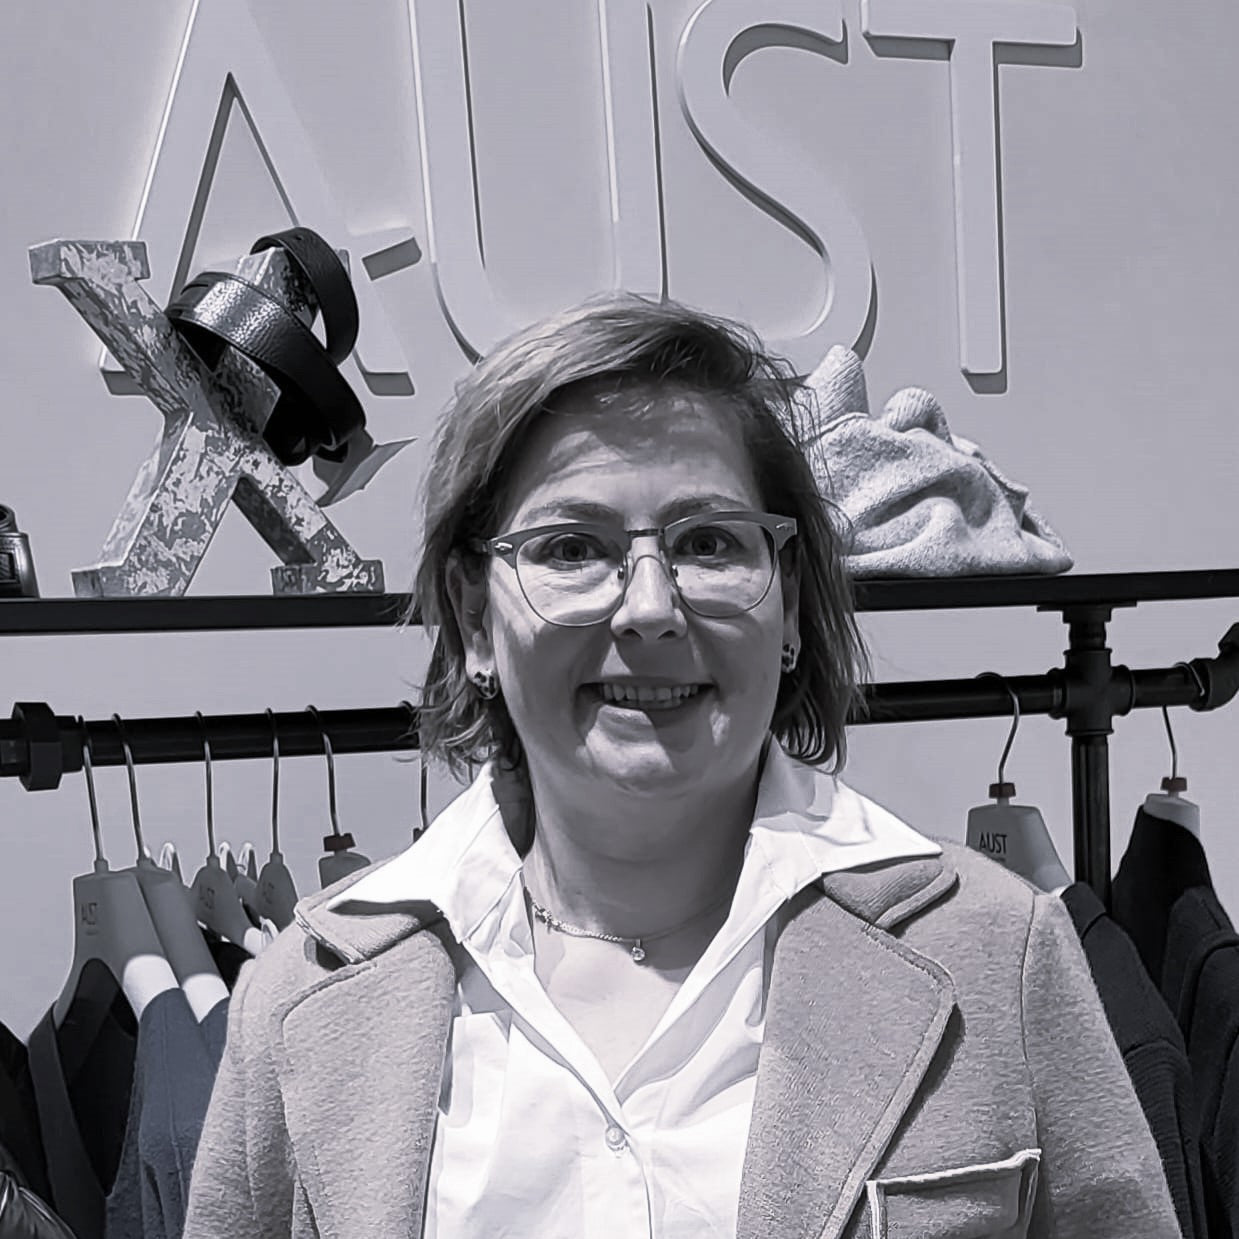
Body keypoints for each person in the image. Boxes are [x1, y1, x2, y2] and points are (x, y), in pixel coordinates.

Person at [183, 294, 1179, 1238]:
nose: (651, 607)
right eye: (572, 548)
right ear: (475, 618)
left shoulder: (996, 956)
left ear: (790, 603)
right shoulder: (302, 999)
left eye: (707, 542)